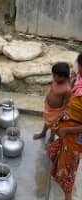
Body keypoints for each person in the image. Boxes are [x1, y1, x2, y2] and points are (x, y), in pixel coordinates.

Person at [47, 53, 82, 200]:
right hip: (66, 128)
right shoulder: (78, 80)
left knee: (68, 169)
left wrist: (67, 129)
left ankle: (68, 196)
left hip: (74, 137)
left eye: (79, 65)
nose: (77, 67)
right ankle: (58, 176)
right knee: (53, 152)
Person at [33, 62, 71, 141]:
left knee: (54, 126)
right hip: (48, 107)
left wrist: (62, 113)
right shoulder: (55, 81)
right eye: (53, 75)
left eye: (55, 76)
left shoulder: (67, 89)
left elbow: (66, 103)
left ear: (63, 77)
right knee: (47, 121)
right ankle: (43, 133)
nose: (53, 77)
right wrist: (46, 99)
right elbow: (51, 91)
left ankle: (51, 138)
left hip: (57, 111)